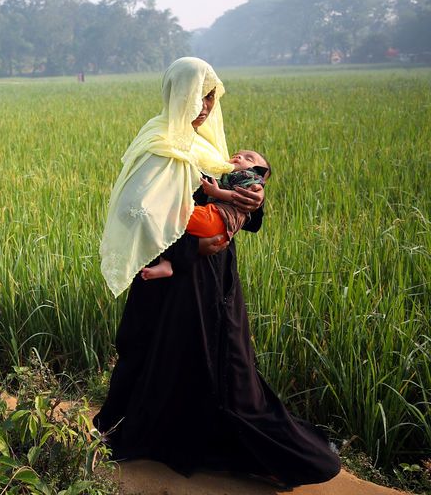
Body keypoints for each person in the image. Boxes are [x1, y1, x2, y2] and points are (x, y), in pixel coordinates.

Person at [94, 57, 340, 487]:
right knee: (162, 355)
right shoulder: (157, 144)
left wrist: (252, 205)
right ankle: (156, 440)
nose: (205, 105)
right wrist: (190, 245)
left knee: (224, 364)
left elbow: (237, 198)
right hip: (173, 283)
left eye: (211, 95)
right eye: (197, 95)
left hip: (213, 279)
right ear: (176, 94)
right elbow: (139, 213)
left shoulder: (207, 146)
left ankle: (244, 446)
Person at [140, 149, 270, 281]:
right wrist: (192, 246)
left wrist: (258, 199)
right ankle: (166, 263)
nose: (239, 156)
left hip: (212, 249)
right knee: (166, 217)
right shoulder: (159, 145)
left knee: (167, 216)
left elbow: (242, 203)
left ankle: (166, 263)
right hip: (190, 253)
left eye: (249, 159)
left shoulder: (244, 175)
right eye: (236, 154)